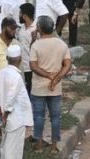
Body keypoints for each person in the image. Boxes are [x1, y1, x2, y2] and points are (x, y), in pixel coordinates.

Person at [0, 45, 33, 159]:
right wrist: (5, 114)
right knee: (12, 148)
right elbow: (11, 97)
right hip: (14, 117)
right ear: (20, 59)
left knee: (5, 146)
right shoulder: (16, 77)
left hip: (5, 117)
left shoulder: (1, 73)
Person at [28, 16, 71, 151]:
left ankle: (39, 143)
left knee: (39, 116)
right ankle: (54, 145)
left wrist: (47, 75)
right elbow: (67, 64)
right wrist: (56, 78)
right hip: (55, 87)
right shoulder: (61, 44)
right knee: (55, 117)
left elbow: (33, 65)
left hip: (39, 87)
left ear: (40, 28)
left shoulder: (36, 45)